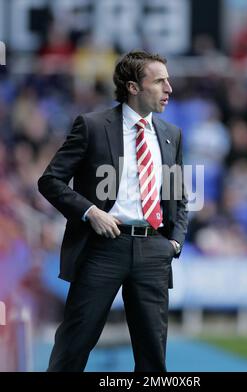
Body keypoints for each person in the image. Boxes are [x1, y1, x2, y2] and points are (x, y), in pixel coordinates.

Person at [38, 50, 188, 372]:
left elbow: (178, 195)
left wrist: (173, 242)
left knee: (153, 360)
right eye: (160, 80)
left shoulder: (171, 135)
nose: (169, 88)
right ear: (133, 87)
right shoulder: (92, 126)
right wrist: (91, 211)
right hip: (102, 247)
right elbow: (50, 181)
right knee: (73, 347)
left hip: (153, 250)